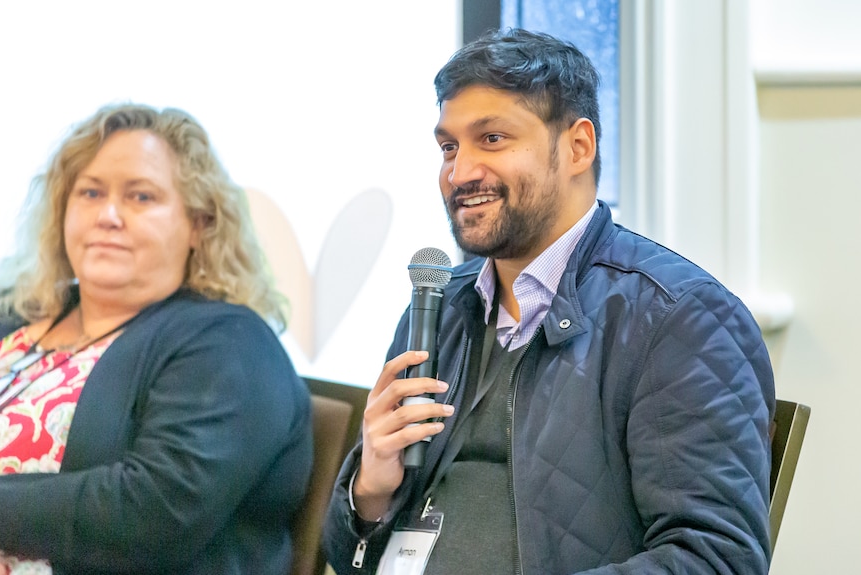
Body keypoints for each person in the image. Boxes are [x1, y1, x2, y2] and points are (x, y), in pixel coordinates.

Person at [323, 28, 776, 574]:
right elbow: (345, 555)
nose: (459, 172)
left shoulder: (677, 318)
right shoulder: (438, 308)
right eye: (449, 146)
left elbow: (717, 560)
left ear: (578, 147)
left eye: (492, 139)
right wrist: (369, 489)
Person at [0, 104, 312, 574]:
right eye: (89, 192)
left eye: (141, 197)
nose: (108, 215)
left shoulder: (230, 344)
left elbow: (154, 513)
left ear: (199, 223)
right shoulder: (17, 315)